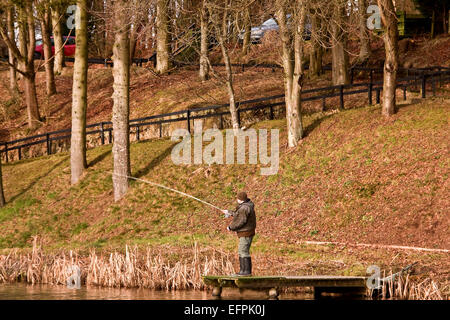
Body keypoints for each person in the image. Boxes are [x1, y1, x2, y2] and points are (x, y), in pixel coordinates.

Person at [223, 191, 256, 276]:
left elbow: (241, 221)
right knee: (243, 251)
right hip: (246, 232)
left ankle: (246, 272)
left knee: (243, 251)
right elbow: (239, 215)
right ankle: (243, 271)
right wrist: (229, 212)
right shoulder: (246, 206)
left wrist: (230, 227)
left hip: (246, 232)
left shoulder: (244, 208)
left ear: (240, 199)